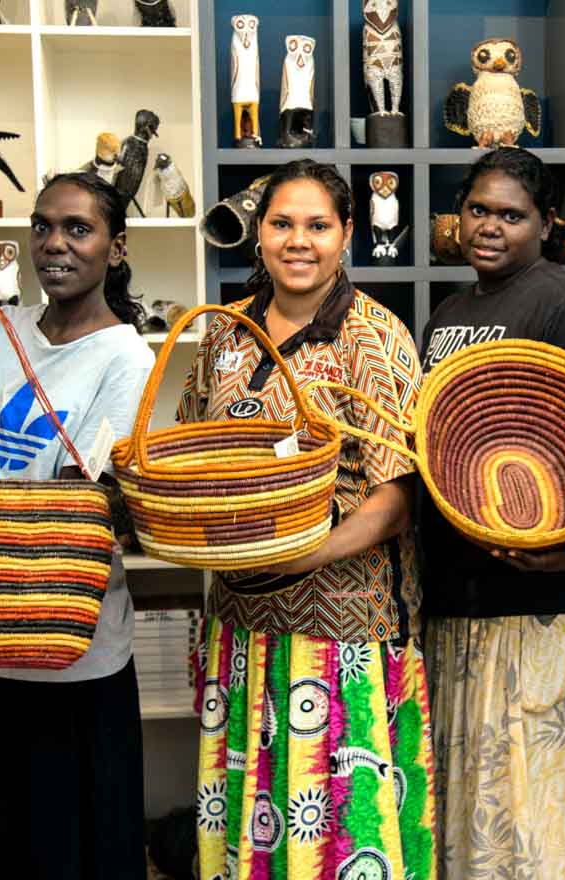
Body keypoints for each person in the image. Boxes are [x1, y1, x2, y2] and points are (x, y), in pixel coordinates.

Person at [178, 160, 437, 880]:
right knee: (258, 828)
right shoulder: (226, 335)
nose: (300, 241)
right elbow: (191, 453)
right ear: (257, 234)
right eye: (282, 224)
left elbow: (396, 499)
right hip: (243, 622)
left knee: (339, 832)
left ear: (347, 234)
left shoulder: (373, 338)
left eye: (318, 225)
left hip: (343, 632)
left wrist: (302, 554)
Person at [0, 172, 154, 880]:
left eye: (79, 229)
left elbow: (79, 509)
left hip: (67, 644)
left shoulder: (127, 358)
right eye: (42, 226)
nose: (54, 245)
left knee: (58, 850)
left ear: (116, 246)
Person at [420, 147, 565, 878]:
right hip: (458, 597)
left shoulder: (564, 305)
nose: (491, 227)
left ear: (547, 225)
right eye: (479, 210)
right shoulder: (449, 312)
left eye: (512, 215)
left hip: (540, 604)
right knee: (478, 818)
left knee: (541, 825)